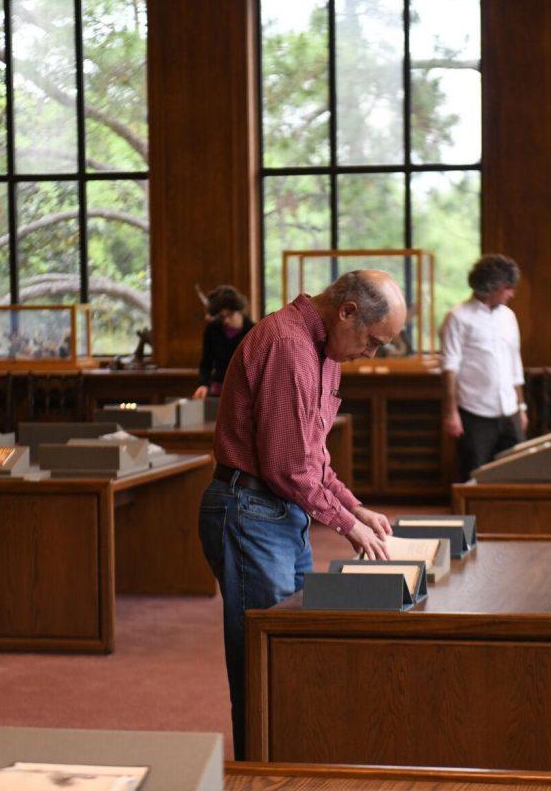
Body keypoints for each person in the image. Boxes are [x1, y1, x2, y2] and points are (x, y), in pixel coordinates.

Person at [199, 270, 406, 758]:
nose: (370, 355)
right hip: (250, 509)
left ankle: (285, 761)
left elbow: (314, 457)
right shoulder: (286, 344)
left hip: (278, 513)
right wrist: (347, 525)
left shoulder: (325, 351)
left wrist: (352, 504)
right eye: (372, 342)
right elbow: (288, 467)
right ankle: (259, 771)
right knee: (261, 658)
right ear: (347, 312)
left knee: (286, 649)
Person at [440, 254, 528, 480]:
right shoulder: (457, 317)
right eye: (508, 288)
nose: (512, 294)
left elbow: (515, 364)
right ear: (493, 287)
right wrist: (451, 413)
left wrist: (522, 407)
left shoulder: (509, 316)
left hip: (510, 411)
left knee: (518, 475)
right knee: (474, 477)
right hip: (474, 412)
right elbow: (450, 367)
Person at [193, 285, 254, 399]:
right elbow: (206, 362)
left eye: (230, 315)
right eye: (222, 317)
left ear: (240, 310)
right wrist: (203, 384)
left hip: (245, 392)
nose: (226, 320)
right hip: (218, 390)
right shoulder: (212, 329)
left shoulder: (253, 331)